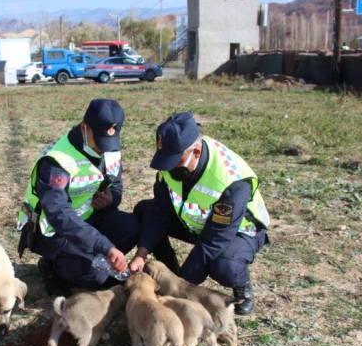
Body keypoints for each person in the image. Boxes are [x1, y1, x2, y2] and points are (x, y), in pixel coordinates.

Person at [128, 112, 270, 316]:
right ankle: (170, 272)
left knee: (225, 267)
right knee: (145, 211)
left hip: (237, 231)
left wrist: (181, 290)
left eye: (175, 160)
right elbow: (160, 210)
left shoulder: (230, 179)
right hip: (197, 222)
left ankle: (242, 287)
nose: (169, 167)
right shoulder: (171, 163)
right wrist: (142, 253)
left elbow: (215, 239)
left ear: (195, 151)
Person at [17, 98, 139, 296]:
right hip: (51, 230)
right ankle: (52, 267)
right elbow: (59, 215)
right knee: (96, 277)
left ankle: (82, 258)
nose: (103, 148)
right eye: (99, 140)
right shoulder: (57, 160)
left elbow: (116, 184)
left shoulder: (110, 148)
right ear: (84, 127)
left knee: (132, 228)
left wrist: (111, 200)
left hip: (87, 220)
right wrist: (104, 246)